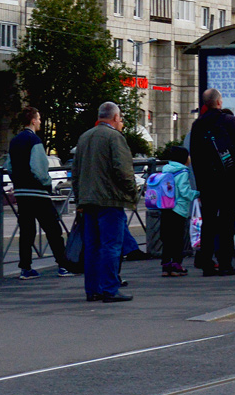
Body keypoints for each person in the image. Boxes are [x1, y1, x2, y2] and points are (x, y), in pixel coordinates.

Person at [72, 102, 139, 301]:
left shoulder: (84, 137)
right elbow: (123, 170)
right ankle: (110, 289)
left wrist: (79, 199)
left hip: (88, 200)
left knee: (92, 247)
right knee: (111, 245)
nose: (122, 123)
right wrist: (132, 192)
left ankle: (93, 290)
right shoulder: (115, 137)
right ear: (115, 117)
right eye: (121, 119)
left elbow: (76, 172)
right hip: (110, 200)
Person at [8, 107, 73, 280]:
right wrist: (46, 182)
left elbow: (9, 166)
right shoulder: (34, 140)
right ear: (33, 121)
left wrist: (18, 181)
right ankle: (63, 265)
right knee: (52, 229)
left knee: (26, 231)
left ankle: (25, 268)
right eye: (38, 118)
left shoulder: (15, 141)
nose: (40, 121)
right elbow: (39, 167)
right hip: (37, 192)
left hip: (21, 192)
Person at [188, 88, 235, 276]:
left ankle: (206, 262)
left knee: (209, 221)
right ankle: (225, 262)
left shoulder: (198, 124)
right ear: (219, 102)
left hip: (207, 182)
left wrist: (200, 183)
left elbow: (195, 156)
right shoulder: (229, 121)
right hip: (228, 179)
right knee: (227, 220)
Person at [155, 145, 198, 276]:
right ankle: (176, 265)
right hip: (178, 209)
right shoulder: (182, 172)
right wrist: (197, 194)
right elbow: (184, 192)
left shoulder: (165, 169)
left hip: (165, 207)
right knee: (177, 239)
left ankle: (166, 265)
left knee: (167, 238)